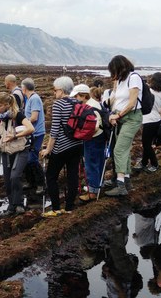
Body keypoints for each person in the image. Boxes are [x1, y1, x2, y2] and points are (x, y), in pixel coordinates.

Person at [0, 92, 34, 215]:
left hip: (21, 150)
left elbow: (31, 128)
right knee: (8, 180)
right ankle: (11, 206)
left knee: (15, 176)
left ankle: (19, 204)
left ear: (7, 105)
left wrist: (15, 136)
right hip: (6, 151)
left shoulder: (18, 115)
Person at [39, 76, 83, 216]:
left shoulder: (58, 104)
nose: (54, 93)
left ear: (62, 90)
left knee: (51, 176)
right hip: (78, 145)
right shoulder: (78, 103)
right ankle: (69, 208)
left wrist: (48, 149)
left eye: (55, 90)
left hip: (62, 147)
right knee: (72, 176)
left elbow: (54, 130)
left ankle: (56, 209)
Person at [105, 55, 143, 197]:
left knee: (119, 150)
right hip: (120, 118)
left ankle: (121, 186)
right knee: (124, 149)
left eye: (114, 71)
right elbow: (115, 100)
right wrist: (112, 115)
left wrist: (118, 115)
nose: (112, 74)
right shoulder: (120, 80)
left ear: (120, 68)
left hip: (131, 118)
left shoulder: (134, 77)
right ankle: (127, 181)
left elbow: (132, 102)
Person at [70, 84, 105, 201]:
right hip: (101, 136)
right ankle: (99, 185)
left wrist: (82, 134)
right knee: (99, 161)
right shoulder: (95, 103)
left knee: (91, 163)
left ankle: (93, 192)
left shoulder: (89, 107)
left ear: (83, 96)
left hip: (93, 137)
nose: (75, 99)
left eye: (76, 97)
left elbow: (94, 127)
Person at [135, 72, 161, 173]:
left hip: (148, 120)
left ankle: (154, 163)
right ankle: (143, 162)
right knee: (148, 142)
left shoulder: (150, 91)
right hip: (157, 119)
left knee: (146, 144)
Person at [22, 78, 46, 194]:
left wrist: (24, 122)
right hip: (31, 133)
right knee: (27, 158)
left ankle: (41, 184)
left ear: (24, 88)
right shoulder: (29, 98)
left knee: (32, 158)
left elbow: (34, 117)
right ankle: (30, 182)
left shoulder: (34, 98)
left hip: (37, 133)